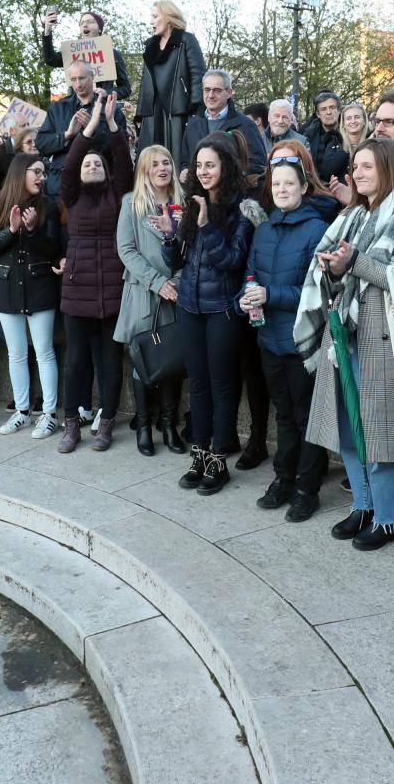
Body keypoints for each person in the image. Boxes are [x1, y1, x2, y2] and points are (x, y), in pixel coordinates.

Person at [294, 139, 394, 549]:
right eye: (355, 167)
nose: (357, 174)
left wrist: (354, 262)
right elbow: (332, 269)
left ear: (389, 167)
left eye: (367, 166)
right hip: (345, 331)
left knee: (382, 431)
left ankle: (390, 515)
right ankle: (364, 504)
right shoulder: (353, 214)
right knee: (349, 426)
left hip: (387, 335)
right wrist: (334, 268)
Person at [151, 133, 255, 494]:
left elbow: (231, 261)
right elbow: (177, 261)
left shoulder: (241, 209)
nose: (204, 170)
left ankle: (218, 459)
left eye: (211, 164)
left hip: (222, 309)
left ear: (225, 166)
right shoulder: (192, 204)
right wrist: (169, 237)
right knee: (197, 383)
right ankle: (200, 452)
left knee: (221, 385)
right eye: (200, 165)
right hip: (190, 306)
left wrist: (208, 224)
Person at [241, 153, 330, 520]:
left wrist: (270, 295)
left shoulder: (316, 229)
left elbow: (316, 292)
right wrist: (246, 295)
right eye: (276, 184)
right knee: (284, 415)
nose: (281, 189)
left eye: (289, 183)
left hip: (302, 340)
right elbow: (250, 273)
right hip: (269, 341)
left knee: (306, 414)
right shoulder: (263, 229)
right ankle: (283, 478)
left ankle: (307, 488)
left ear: (304, 188)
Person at [57, 91, 132, 452]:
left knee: (110, 363)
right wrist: (90, 127)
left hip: (112, 291)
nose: (90, 167)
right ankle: (70, 423)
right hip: (78, 290)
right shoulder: (71, 195)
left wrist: (113, 123)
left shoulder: (117, 194)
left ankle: (105, 423)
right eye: (87, 164)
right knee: (75, 362)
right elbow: (69, 164)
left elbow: (123, 161)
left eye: (96, 164)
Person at [0, 153, 64, 439]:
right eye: (36, 172)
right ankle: (22, 411)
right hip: (6, 286)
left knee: (44, 351)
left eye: (43, 172)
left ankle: (49, 413)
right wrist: (12, 229)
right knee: (15, 353)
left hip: (39, 283)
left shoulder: (49, 205)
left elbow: (54, 248)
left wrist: (30, 230)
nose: (42, 177)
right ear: (20, 173)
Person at [116, 143, 186, 456]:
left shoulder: (181, 204)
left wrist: (178, 282)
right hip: (143, 293)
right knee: (141, 362)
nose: (163, 168)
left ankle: (169, 425)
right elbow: (126, 249)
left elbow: (191, 250)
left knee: (173, 360)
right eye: (155, 163)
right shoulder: (132, 203)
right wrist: (157, 282)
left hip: (176, 293)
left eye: (167, 163)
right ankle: (143, 427)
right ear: (145, 169)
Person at [137, 0, 206, 167]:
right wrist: (140, 114)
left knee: (176, 159)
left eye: (155, 16)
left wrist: (196, 109)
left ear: (168, 17)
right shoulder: (150, 46)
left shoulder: (186, 40)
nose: (151, 21)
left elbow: (198, 75)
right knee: (150, 160)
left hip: (178, 110)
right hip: (153, 112)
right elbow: (145, 82)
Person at [36, 62, 125, 185]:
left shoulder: (110, 109)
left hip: (99, 184)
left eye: (81, 78)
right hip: (61, 183)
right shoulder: (58, 108)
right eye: (73, 79)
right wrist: (67, 135)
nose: (77, 84)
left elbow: (121, 151)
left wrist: (94, 130)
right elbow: (41, 144)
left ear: (92, 77)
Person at [184, 70, 267, 177]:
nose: (210, 95)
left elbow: (257, 164)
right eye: (207, 90)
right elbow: (184, 161)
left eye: (217, 90)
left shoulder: (246, 125)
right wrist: (184, 169)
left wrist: (225, 175)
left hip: (232, 191)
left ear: (229, 92)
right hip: (198, 192)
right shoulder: (192, 125)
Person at [40, 10, 131, 98]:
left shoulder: (112, 54)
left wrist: (107, 93)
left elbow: (126, 89)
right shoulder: (73, 52)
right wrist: (47, 31)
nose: (85, 25)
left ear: (99, 29)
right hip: (77, 110)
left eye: (90, 22)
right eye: (81, 23)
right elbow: (50, 59)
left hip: (103, 109)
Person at [304, 92, 349, 186]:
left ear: (339, 110)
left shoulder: (349, 133)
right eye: (323, 109)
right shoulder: (308, 136)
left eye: (332, 107)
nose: (328, 112)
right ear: (318, 114)